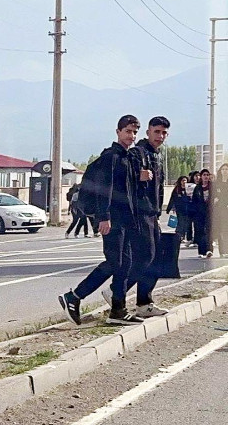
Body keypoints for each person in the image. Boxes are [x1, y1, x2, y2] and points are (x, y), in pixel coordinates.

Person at [59, 115, 149, 325]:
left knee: (123, 263)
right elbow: (105, 190)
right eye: (128, 131)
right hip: (113, 219)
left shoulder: (128, 158)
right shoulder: (111, 157)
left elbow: (127, 191)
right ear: (118, 132)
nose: (131, 136)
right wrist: (103, 217)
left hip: (126, 219)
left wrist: (141, 178)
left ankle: (118, 310)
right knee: (115, 262)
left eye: (135, 132)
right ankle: (74, 298)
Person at [121, 115, 171, 319]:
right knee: (146, 255)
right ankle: (119, 291)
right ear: (148, 131)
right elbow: (123, 179)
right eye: (157, 131)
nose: (160, 136)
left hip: (152, 212)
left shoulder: (157, 155)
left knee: (157, 258)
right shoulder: (136, 153)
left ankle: (144, 302)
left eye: (164, 133)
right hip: (139, 212)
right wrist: (137, 176)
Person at [214, 164, 228, 258]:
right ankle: (221, 251)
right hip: (219, 209)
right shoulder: (217, 183)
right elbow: (214, 195)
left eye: (226, 169)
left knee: (227, 230)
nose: (224, 171)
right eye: (223, 169)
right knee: (220, 231)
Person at [191, 169, 213, 258]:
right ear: (201, 176)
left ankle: (209, 250)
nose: (206, 176)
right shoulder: (198, 188)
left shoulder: (213, 187)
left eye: (207, 174)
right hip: (199, 213)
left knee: (208, 231)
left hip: (210, 213)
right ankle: (201, 251)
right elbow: (194, 201)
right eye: (204, 175)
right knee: (200, 232)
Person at [166, 177, 192, 248]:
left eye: (185, 180)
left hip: (188, 209)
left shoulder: (189, 189)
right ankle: (180, 236)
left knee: (187, 223)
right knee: (180, 222)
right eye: (182, 180)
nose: (184, 182)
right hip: (179, 209)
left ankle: (188, 237)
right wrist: (169, 208)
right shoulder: (177, 190)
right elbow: (172, 199)